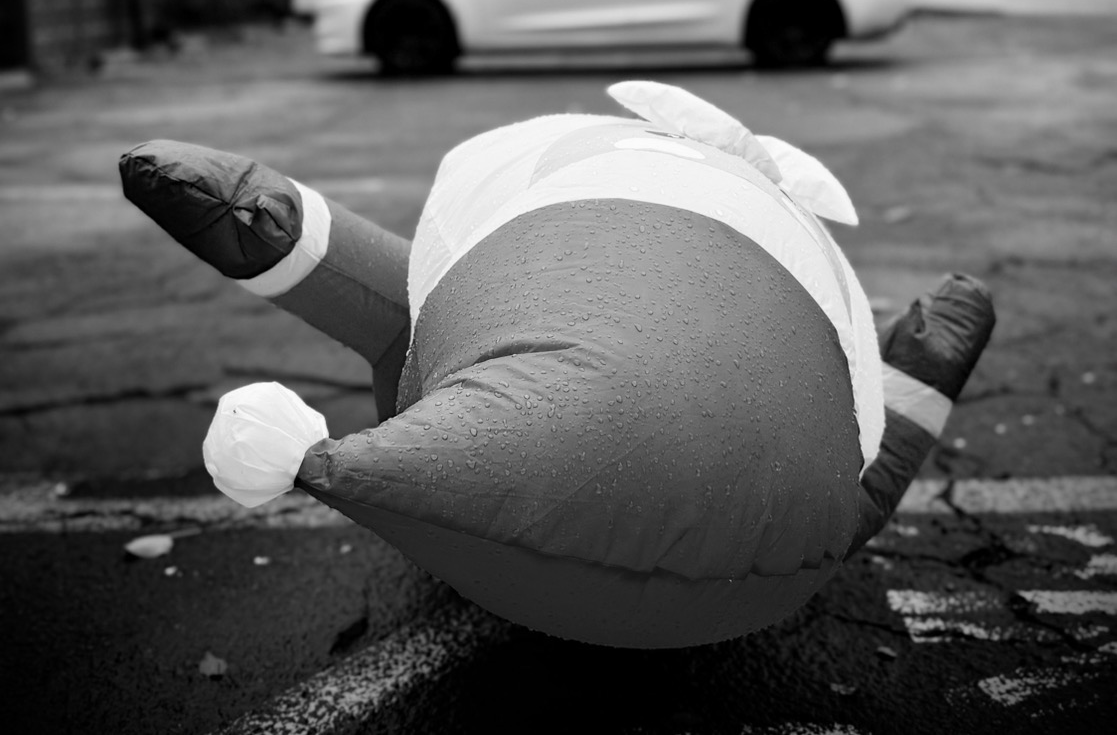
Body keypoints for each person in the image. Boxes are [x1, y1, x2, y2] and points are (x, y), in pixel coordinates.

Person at [120, 83, 994, 648]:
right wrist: (916, 382)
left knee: (410, 322)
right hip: (784, 545)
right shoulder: (486, 289)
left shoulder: (446, 308)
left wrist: (261, 214)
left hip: (759, 464)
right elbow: (861, 495)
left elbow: (367, 285)